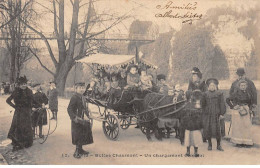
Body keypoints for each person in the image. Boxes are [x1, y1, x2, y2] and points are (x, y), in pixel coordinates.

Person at [6, 76, 34, 151]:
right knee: (18, 127)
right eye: (22, 84)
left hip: (27, 112)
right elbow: (8, 100)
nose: (24, 85)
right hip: (19, 112)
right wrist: (15, 107)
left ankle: (27, 143)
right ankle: (18, 144)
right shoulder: (16, 91)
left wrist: (39, 105)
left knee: (27, 127)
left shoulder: (29, 91)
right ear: (19, 84)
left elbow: (33, 101)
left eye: (25, 84)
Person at [67, 82, 93, 159]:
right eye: (80, 88)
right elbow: (69, 109)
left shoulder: (82, 97)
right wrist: (74, 118)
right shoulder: (74, 97)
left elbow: (84, 107)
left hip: (83, 119)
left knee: (82, 134)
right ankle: (77, 152)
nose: (82, 89)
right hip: (77, 120)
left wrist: (88, 115)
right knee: (77, 135)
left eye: (83, 88)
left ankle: (81, 149)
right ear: (76, 89)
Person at [226, 80, 255, 147]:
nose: (243, 87)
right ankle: (238, 142)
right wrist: (233, 106)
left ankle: (246, 142)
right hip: (237, 111)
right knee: (238, 127)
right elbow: (227, 100)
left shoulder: (248, 93)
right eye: (241, 85)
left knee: (246, 126)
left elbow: (251, 102)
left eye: (244, 85)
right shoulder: (235, 93)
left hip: (246, 110)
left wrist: (250, 109)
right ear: (239, 86)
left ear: (246, 86)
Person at [202, 78, 226, 151]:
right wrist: (204, 112)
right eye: (210, 85)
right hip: (208, 114)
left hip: (217, 114)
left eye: (213, 85)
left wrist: (222, 113)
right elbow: (203, 104)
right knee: (208, 129)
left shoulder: (219, 94)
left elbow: (222, 104)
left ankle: (218, 145)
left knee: (218, 130)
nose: (212, 87)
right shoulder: (205, 94)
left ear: (215, 86)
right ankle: (210, 145)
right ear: (208, 86)